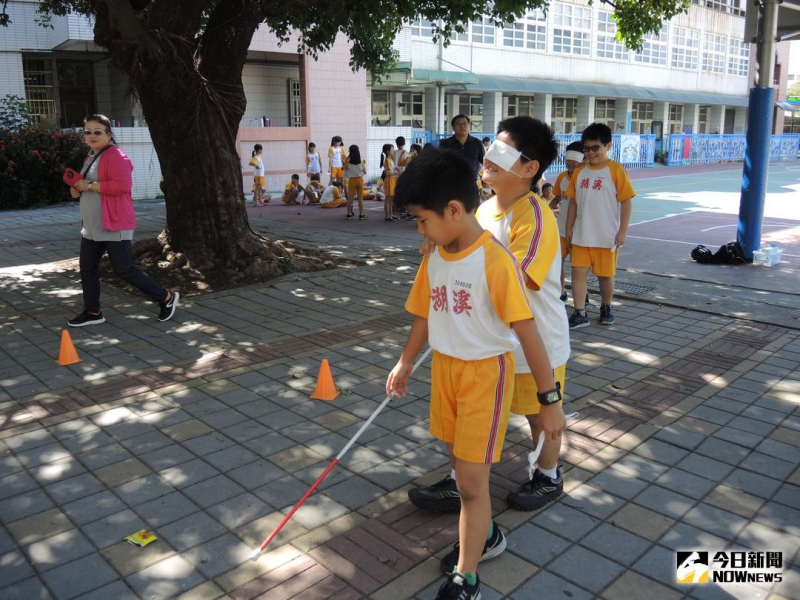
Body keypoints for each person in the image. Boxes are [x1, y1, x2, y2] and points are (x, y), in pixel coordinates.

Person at [387, 148, 561, 600]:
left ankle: (468, 576)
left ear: (453, 209)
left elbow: (529, 335)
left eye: (422, 221)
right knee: (459, 467)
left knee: (469, 484)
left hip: (486, 376)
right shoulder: (436, 255)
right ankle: (486, 536)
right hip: (445, 371)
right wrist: (406, 361)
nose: (420, 231)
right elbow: (423, 313)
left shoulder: (494, 261)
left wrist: (550, 400)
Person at [410, 118, 569, 534]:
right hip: (489, 343)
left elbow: (512, 274)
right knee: (467, 421)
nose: (488, 155)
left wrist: (456, 249)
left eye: (502, 151)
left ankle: (548, 474)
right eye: (491, 147)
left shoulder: (534, 215)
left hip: (536, 338)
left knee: (539, 413)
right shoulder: (480, 209)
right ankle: (463, 480)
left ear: (530, 168)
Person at [67, 114, 179, 327]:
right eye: (88, 132)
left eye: (97, 132)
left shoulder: (117, 156)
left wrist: (89, 186)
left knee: (124, 269)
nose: (92, 136)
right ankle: (93, 312)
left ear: (108, 134)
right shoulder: (90, 156)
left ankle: (166, 297)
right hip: (92, 226)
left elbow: (123, 187)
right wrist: (77, 190)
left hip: (114, 224)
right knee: (87, 268)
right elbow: (87, 185)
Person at [565, 123, 636, 328]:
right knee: (578, 272)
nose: (591, 152)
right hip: (581, 235)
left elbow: (626, 201)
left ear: (608, 146)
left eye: (596, 147)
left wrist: (622, 231)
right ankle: (580, 312)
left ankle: (606, 306)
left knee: (605, 276)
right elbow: (573, 202)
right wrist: (569, 227)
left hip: (606, 236)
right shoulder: (580, 172)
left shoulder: (616, 171)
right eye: (587, 148)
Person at [552, 141, 584, 301]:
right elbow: (557, 196)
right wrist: (548, 207)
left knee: (579, 268)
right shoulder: (562, 177)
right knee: (558, 262)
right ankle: (561, 291)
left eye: (574, 161)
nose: (570, 164)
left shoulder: (585, 179)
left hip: (580, 231)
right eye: (567, 160)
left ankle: (582, 293)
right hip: (561, 228)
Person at [343, 145, 368, 220]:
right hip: (360, 180)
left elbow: (344, 168)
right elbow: (365, 172)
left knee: (350, 198)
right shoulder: (361, 163)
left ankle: (349, 214)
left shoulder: (348, 163)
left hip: (351, 180)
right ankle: (361, 214)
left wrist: (348, 157)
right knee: (360, 198)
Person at [380, 143, 398, 222]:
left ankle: (391, 215)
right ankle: (388, 216)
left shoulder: (390, 159)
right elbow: (387, 173)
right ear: (388, 151)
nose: (393, 151)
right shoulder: (387, 160)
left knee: (391, 199)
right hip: (389, 180)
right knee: (388, 199)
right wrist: (397, 173)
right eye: (392, 149)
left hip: (392, 179)